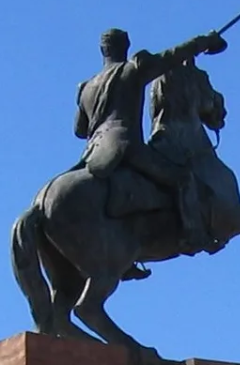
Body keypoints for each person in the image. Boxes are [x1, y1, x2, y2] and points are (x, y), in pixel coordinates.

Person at [76, 27, 225, 259]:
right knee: (184, 178)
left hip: (93, 153)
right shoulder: (134, 69)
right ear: (125, 46)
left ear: (102, 50)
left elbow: (79, 130)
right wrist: (204, 41)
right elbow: (173, 55)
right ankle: (194, 235)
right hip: (126, 147)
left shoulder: (86, 87)